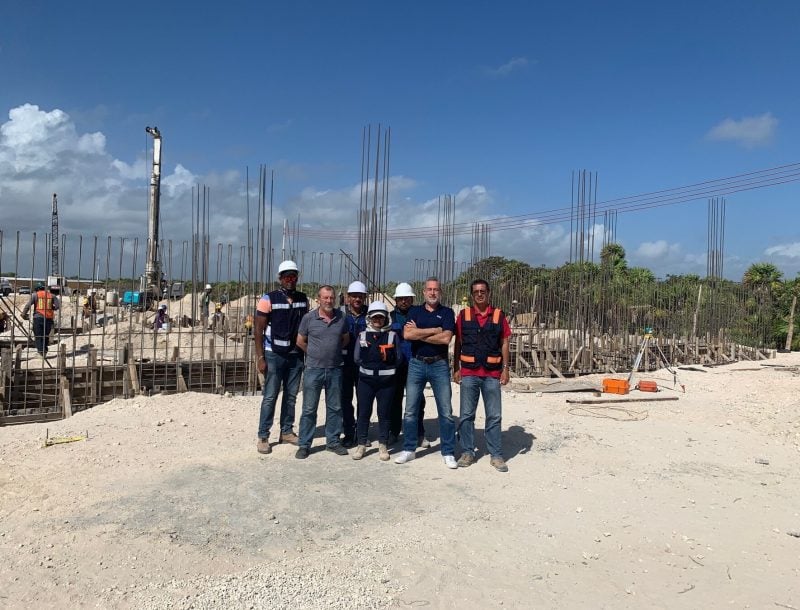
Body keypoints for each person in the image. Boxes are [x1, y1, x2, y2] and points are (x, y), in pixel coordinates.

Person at [394, 277, 458, 469]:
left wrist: (420, 333)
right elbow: (407, 335)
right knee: (411, 410)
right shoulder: (414, 311)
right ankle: (409, 449)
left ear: (440, 292)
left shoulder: (447, 312)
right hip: (417, 364)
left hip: (439, 365)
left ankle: (448, 452)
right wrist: (434, 330)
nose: (432, 293)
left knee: (445, 412)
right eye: (429, 289)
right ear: (423, 292)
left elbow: (446, 339)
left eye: (436, 289)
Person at [453, 279, 512, 472]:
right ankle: (468, 452)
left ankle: (496, 455)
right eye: (476, 291)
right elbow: (458, 343)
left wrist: (505, 368)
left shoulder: (498, 315)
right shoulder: (464, 316)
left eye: (483, 291)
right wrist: (456, 367)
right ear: (472, 295)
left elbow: (504, 342)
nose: (480, 294)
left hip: (491, 374)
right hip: (469, 373)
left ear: (489, 293)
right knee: (466, 415)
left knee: (494, 416)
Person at [253, 260, 309, 454]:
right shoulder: (268, 299)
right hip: (274, 354)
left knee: (291, 396)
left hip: (295, 355)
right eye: (286, 277)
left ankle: (286, 430)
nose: (290, 280)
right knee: (270, 396)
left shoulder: (303, 299)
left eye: (293, 276)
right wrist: (260, 357)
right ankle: (263, 435)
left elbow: (305, 328)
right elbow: (258, 330)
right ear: (280, 278)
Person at [295, 285, 350, 459]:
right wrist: (313, 353)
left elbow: (346, 338)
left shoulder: (341, 317)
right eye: (325, 298)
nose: (328, 301)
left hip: (335, 369)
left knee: (335, 407)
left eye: (331, 298)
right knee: (309, 409)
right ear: (318, 299)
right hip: (313, 369)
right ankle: (304, 444)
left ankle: (332, 442)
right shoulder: (308, 318)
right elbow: (300, 341)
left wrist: (332, 351)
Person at [352, 301, 403, 461]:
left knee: (384, 413)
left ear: (385, 319)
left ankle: (383, 444)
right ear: (369, 318)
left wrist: (386, 370)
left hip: (386, 383)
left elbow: (399, 358)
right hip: (366, 382)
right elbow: (356, 358)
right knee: (364, 413)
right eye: (375, 318)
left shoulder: (392, 336)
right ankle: (361, 444)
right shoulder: (362, 335)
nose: (378, 320)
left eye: (381, 318)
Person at [389, 282, 427, 446]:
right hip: (396, 364)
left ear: (412, 299)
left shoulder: (420, 314)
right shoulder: (389, 316)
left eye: (407, 298)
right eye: (401, 298)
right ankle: (394, 431)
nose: (404, 301)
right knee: (394, 399)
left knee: (418, 400)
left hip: (415, 363)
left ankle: (419, 433)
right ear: (396, 300)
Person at [340, 280, 368, 447]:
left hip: (364, 364)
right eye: (354, 296)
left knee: (363, 399)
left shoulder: (371, 313)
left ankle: (361, 432)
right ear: (348, 297)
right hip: (344, 363)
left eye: (360, 296)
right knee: (345, 399)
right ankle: (349, 432)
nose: (357, 299)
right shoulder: (340, 314)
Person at [21, 282, 60, 357]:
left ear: (37, 289)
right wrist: (51, 307)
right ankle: (44, 351)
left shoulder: (35, 295)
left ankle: (41, 352)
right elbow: (57, 306)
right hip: (49, 318)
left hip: (38, 318)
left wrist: (23, 314)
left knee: (38, 335)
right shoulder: (51, 295)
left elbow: (28, 305)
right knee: (45, 335)